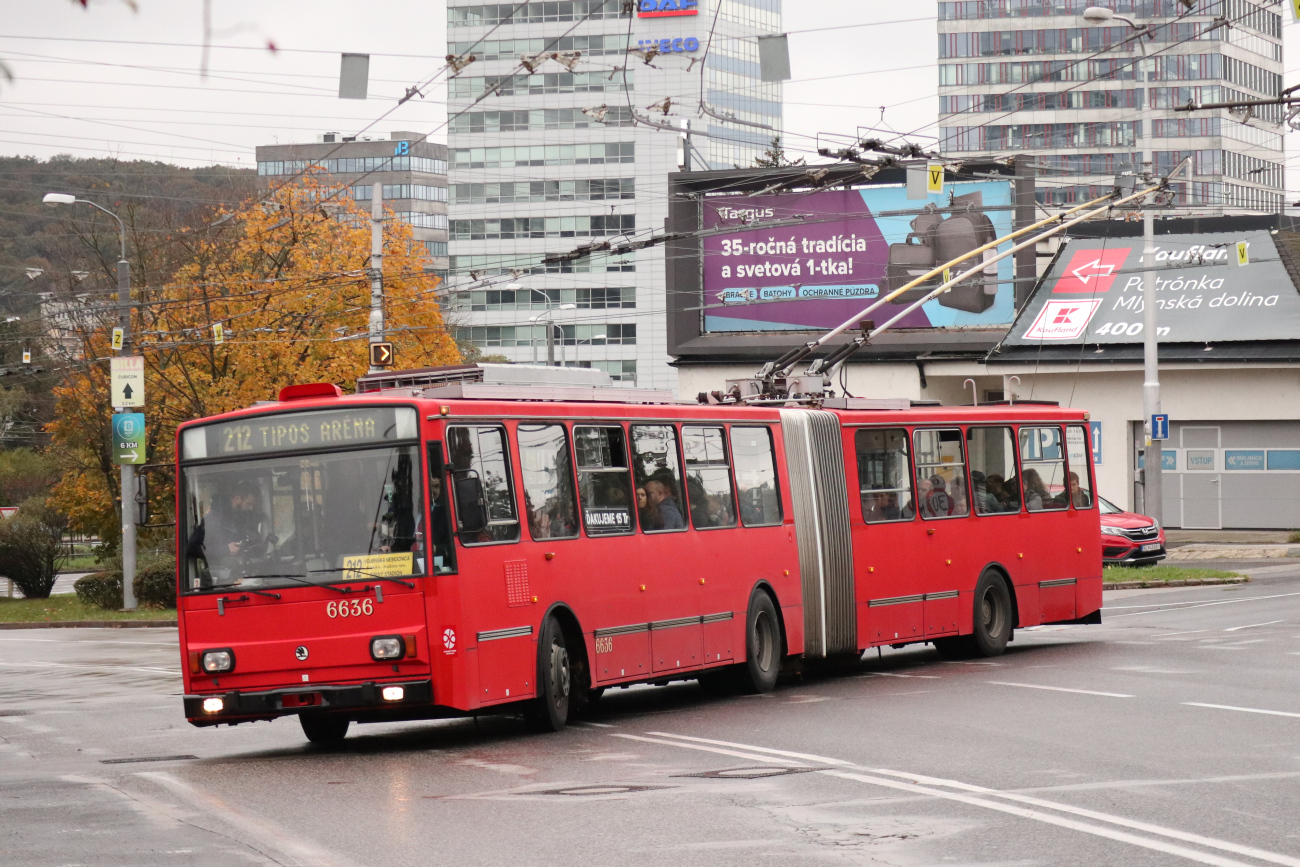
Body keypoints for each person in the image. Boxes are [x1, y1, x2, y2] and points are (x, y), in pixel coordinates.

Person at [190, 481, 271, 575]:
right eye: (249, 504)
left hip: (243, 573)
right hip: (220, 578)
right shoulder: (212, 520)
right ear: (237, 499)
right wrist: (226, 549)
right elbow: (194, 549)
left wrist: (258, 545)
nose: (250, 508)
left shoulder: (241, 519)